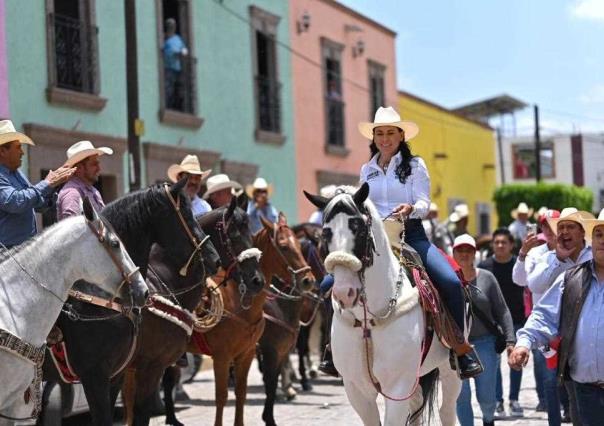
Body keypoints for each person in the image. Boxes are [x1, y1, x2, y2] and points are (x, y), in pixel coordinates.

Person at [358, 106, 482, 379]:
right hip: (375, 238)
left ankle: (461, 349)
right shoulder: (366, 169)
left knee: (449, 281)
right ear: (374, 137)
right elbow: (362, 203)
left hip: (410, 233)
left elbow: (425, 203)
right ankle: (333, 349)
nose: (385, 138)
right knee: (331, 283)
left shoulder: (415, 165)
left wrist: (410, 208)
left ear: (401, 135)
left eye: (391, 132)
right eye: (380, 133)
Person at [509, 208, 604, 426]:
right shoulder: (572, 278)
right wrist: (524, 343)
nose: (603, 240)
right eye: (599, 234)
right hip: (585, 390)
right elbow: (543, 314)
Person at [453, 234, 516, 426]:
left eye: (468, 250)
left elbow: (502, 310)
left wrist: (511, 340)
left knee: (487, 398)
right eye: (460, 250)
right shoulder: (446, 279)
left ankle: (489, 421)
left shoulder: (487, 278)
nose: (464, 254)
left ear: (475, 253)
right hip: (456, 346)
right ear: (453, 253)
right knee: (461, 397)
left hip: (485, 344)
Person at [512, 208, 560, 415]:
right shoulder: (535, 252)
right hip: (543, 321)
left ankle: (567, 407)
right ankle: (550, 409)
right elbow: (520, 280)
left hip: (568, 320)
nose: (548, 229)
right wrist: (523, 253)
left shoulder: (574, 250)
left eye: (552, 225)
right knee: (546, 371)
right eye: (544, 225)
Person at [0, 120, 75, 249]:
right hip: (6, 255)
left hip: (22, 250)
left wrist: (53, 185)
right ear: (2, 151)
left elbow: (36, 204)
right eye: (18, 147)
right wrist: (48, 183)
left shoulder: (17, 174)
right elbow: (15, 202)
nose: (22, 152)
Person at [478, 228, 525, 418]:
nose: (499, 245)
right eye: (496, 242)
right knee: (494, 365)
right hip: (492, 325)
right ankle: (498, 401)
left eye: (503, 242)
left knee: (516, 361)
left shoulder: (518, 266)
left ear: (511, 245)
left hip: (517, 320)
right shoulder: (484, 266)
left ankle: (514, 399)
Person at [56, 140, 113, 220]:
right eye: (94, 164)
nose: (99, 168)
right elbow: (73, 230)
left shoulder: (94, 192)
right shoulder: (72, 194)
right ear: (79, 168)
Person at [163, 18, 188, 110]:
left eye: (173, 25)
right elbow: (162, 50)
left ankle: (177, 108)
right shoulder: (163, 37)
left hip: (177, 69)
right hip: (167, 68)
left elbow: (185, 50)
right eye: (169, 25)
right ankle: (168, 107)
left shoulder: (178, 39)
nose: (171, 26)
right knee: (168, 90)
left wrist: (182, 53)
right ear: (167, 26)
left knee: (178, 90)